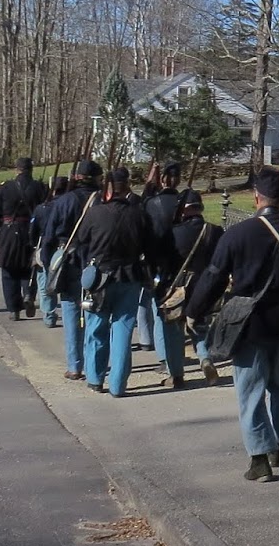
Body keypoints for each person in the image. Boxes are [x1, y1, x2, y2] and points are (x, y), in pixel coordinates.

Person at [184, 169, 279, 482]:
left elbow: (214, 277)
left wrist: (194, 311)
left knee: (250, 390)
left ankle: (259, 457)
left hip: (249, 322)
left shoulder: (237, 234)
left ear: (257, 197)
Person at [66, 167, 157, 397]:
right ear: (127, 187)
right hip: (130, 276)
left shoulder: (95, 213)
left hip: (100, 278)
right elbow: (150, 248)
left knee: (96, 327)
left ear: (108, 189)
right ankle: (118, 384)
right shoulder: (139, 215)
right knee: (123, 331)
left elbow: (80, 241)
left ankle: (95, 378)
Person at [45, 161, 103, 381]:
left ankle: (74, 365)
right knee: (93, 310)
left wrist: (50, 262)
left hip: (68, 260)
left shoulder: (64, 201)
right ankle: (91, 363)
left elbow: (49, 235)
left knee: (70, 309)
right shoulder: (101, 201)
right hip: (95, 259)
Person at [165, 189, 225, 385]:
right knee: (199, 325)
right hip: (206, 284)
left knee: (174, 328)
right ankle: (205, 357)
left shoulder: (175, 232)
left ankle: (176, 374)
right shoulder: (215, 231)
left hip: (179, 285)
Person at [139, 163, 186, 386]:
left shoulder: (151, 203)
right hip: (181, 264)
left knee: (161, 314)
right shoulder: (184, 201)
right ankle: (176, 360)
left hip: (158, 265)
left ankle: (166, 360)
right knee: (177, 316)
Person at [0, 157, 48, 321]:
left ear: (17, 170)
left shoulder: (5, 187)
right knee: (29, 267)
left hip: (8, 232)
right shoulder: (39, 187)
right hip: (31, 231)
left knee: (9, 271)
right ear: (31, 170)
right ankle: (28, 294)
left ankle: (13, 309)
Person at [29, 175, 70, 328]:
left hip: (45, 247)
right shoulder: (68, 207)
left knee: (44, 283)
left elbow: (32, 231)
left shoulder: (41, 208)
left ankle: (49, 315)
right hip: (64, 247)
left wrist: (33, 245)